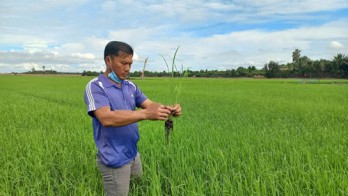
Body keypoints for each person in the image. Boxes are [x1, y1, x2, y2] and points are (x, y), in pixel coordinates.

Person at [84, 41, 181, 196]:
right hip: (114, 159)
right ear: (108, 60)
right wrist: (146, 114)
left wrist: (169, 109)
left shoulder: (130, 86)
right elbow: (106, 118)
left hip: (133, 154)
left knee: (138, 189)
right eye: (123, 63)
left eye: (130, 63)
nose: (127, 68)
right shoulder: (96, 86)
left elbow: (150, 105)